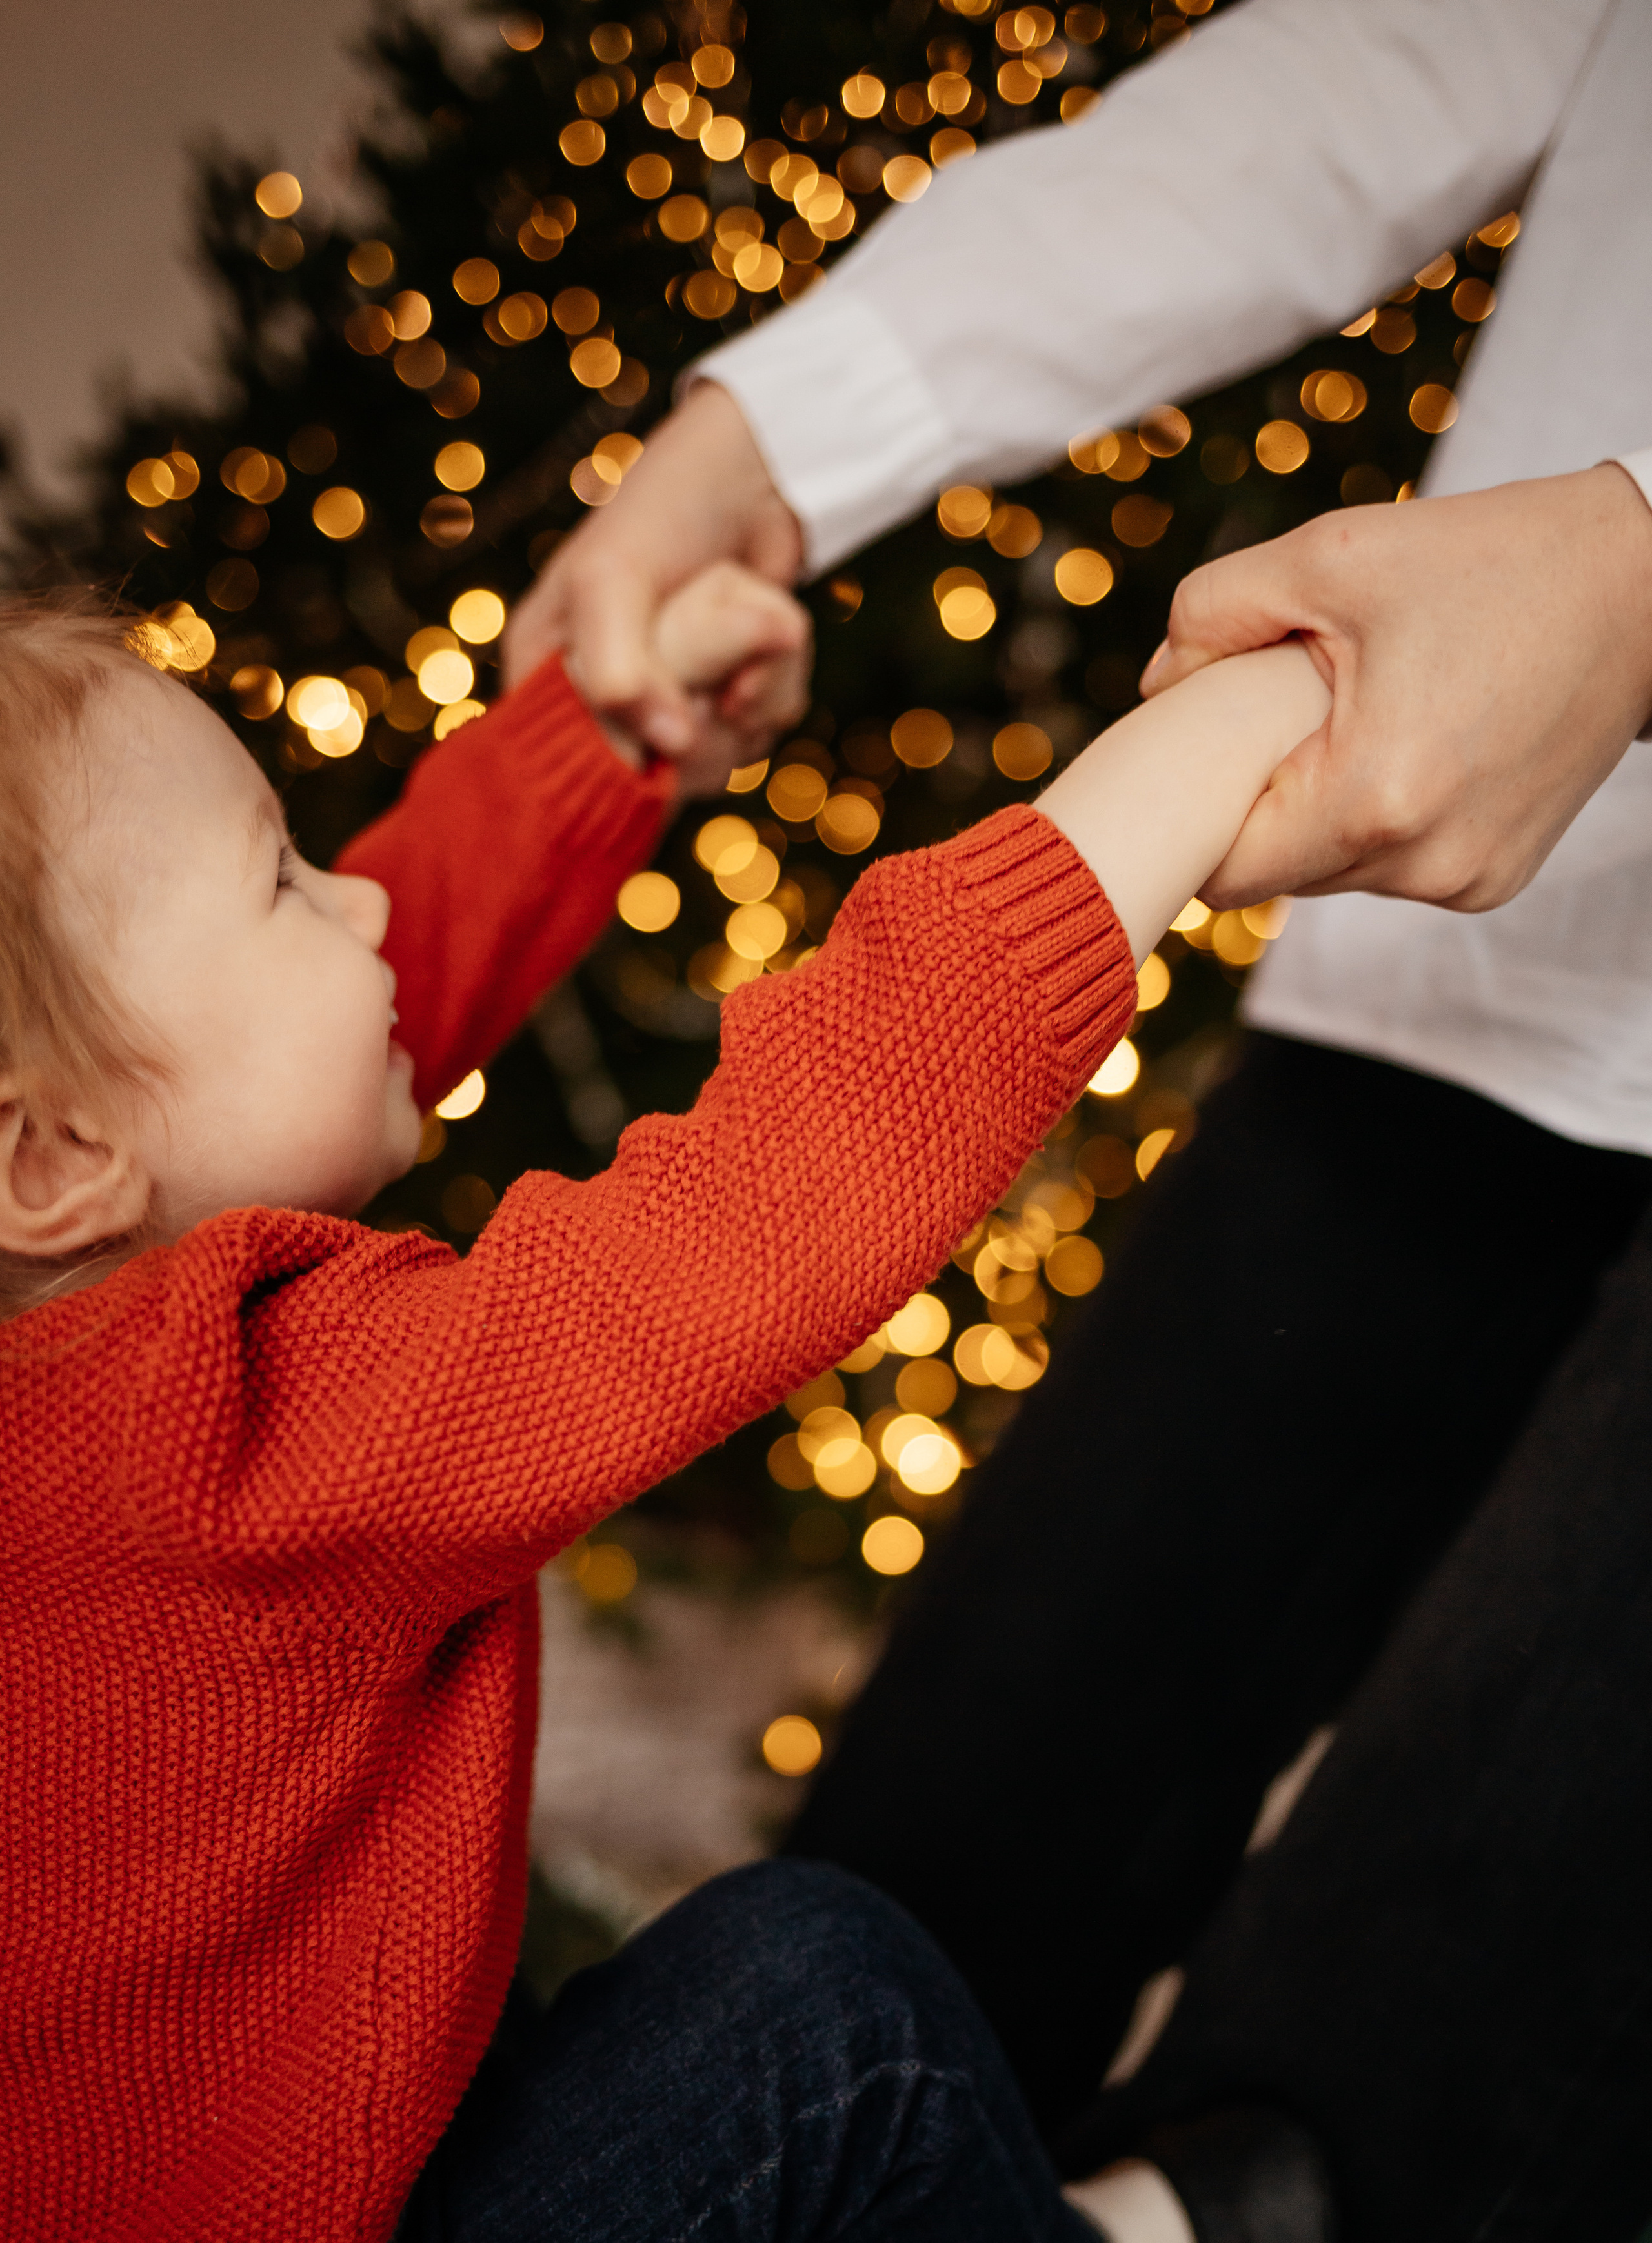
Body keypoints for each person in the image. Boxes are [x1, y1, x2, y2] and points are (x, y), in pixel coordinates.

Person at [500, 0, 1652, 2235]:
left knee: (1373, 2124)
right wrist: (781, 425)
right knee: (931, 1860)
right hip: (1454, 993)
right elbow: (1410, 46)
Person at [0, 548, 1341, 2237]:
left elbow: (321, 1023)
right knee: (818, 2018)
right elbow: (737, 1225)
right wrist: (1210, 751)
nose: (359, 904)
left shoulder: (66, 1339)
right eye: (282, 877)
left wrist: (597, 738)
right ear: (48, 1157)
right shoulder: (215, 1441)